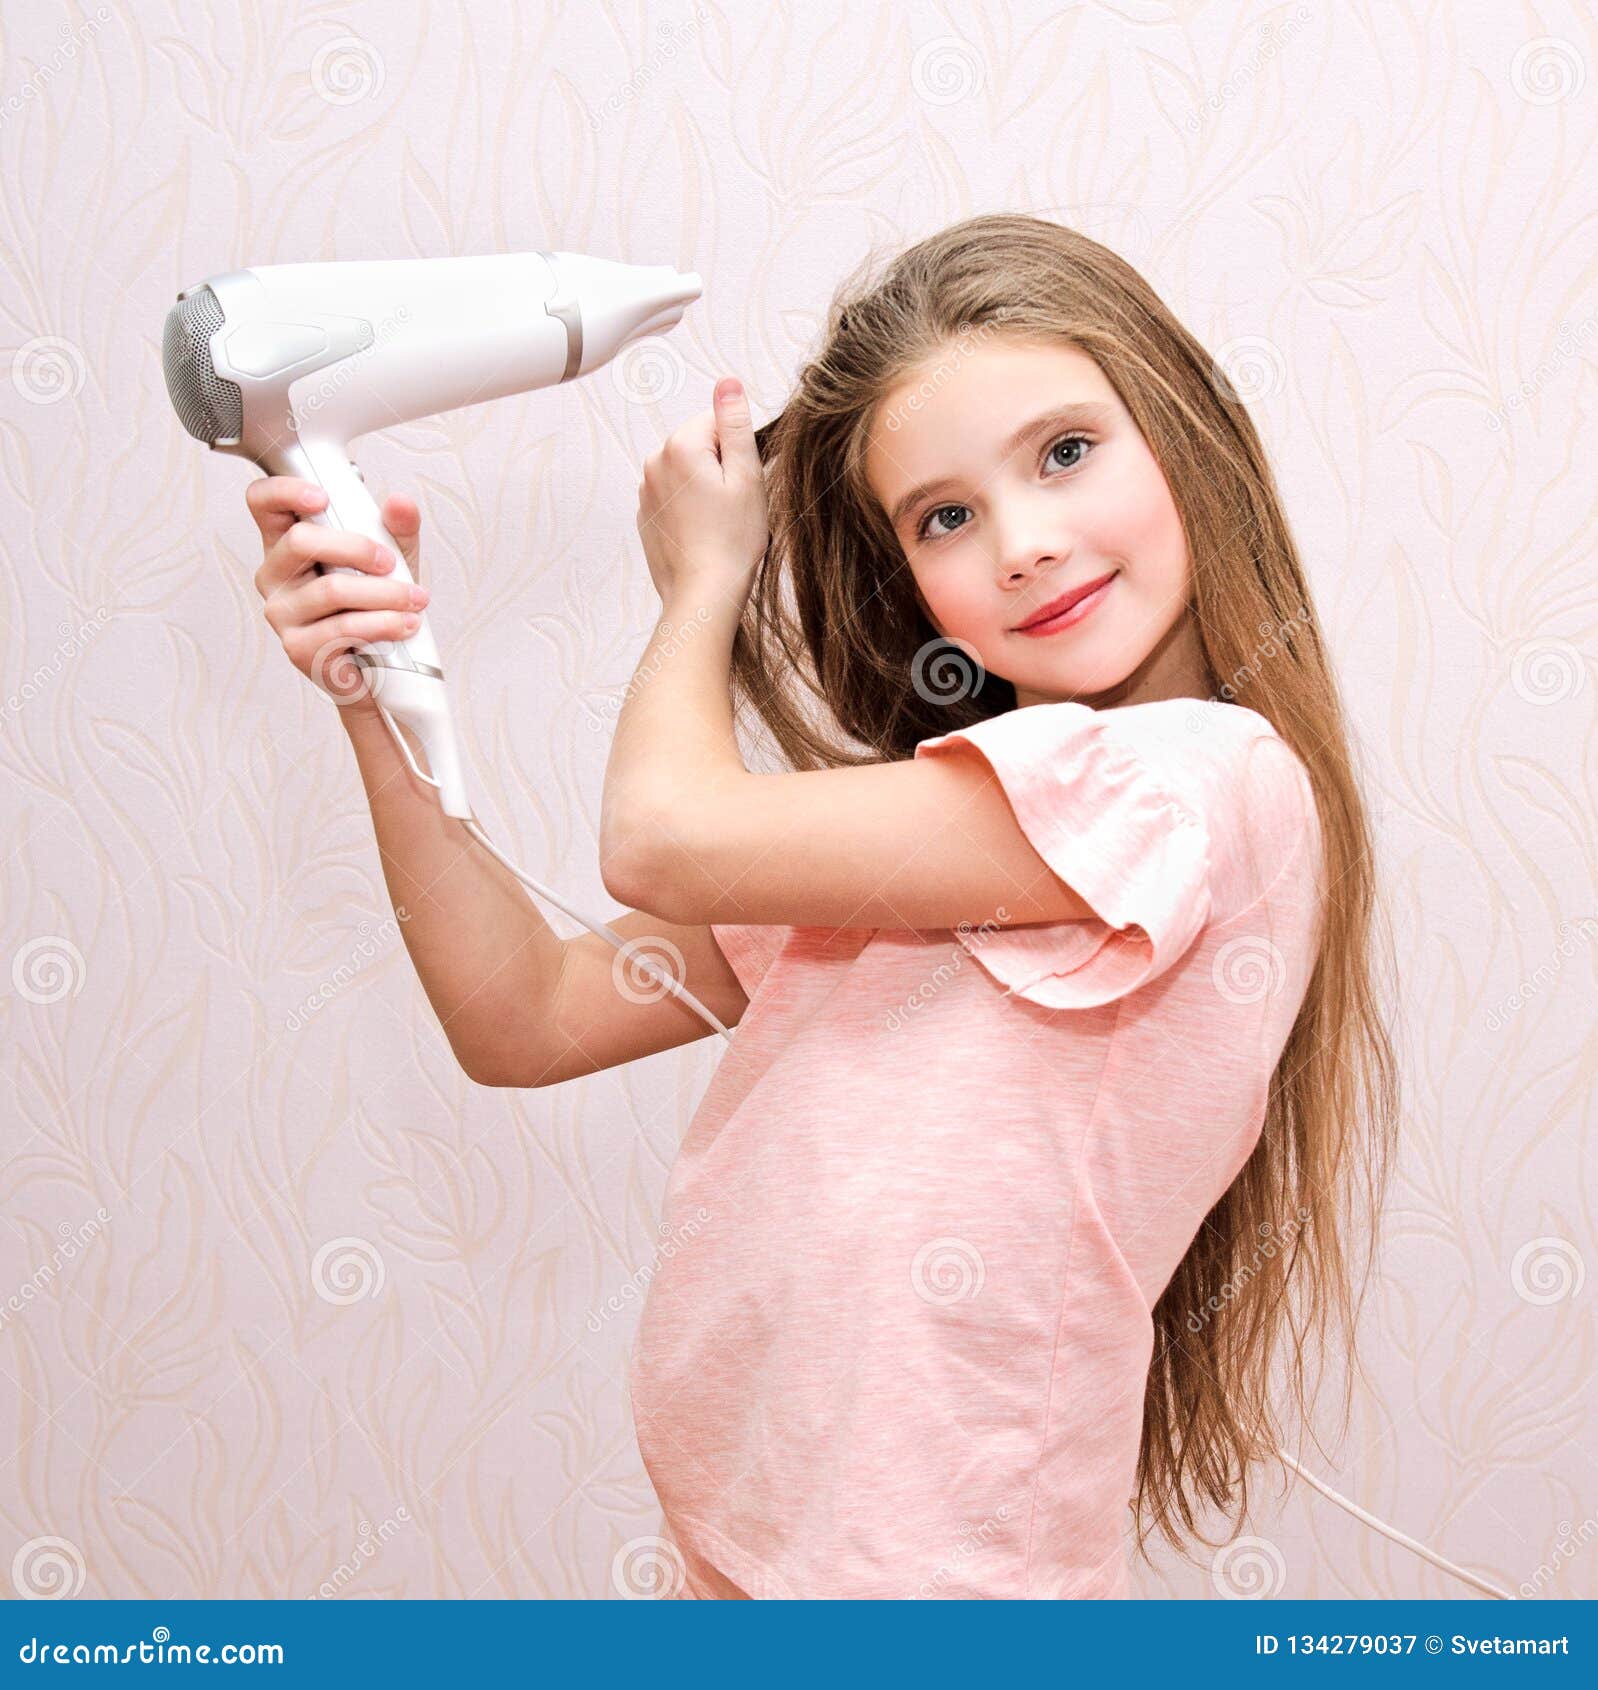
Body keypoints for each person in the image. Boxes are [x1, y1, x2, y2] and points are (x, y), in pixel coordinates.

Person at [245, 212, 1399, 1600]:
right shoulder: (910, 846)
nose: (1023, 543)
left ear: (1185, 430)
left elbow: (657, 837)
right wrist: (375, 691)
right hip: (747, 1558)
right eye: (946, 516)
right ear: (908, 574)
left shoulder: (1198, 781)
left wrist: (701, 581)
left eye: (1066, 451)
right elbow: (525, 1013)